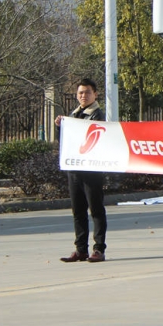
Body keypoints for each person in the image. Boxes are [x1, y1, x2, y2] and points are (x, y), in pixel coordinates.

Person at [56, 78, 108, 263]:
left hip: (91, 171)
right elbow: (65, 141)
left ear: (95, 94)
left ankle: (99, 249)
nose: (83, 96)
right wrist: (59, 127)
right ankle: (80, 249)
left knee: (96, 210)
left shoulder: (97, 115)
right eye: (80, 93)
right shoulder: (74, 114)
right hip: (74, 170)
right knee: (78, 211)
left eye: (87, 92)